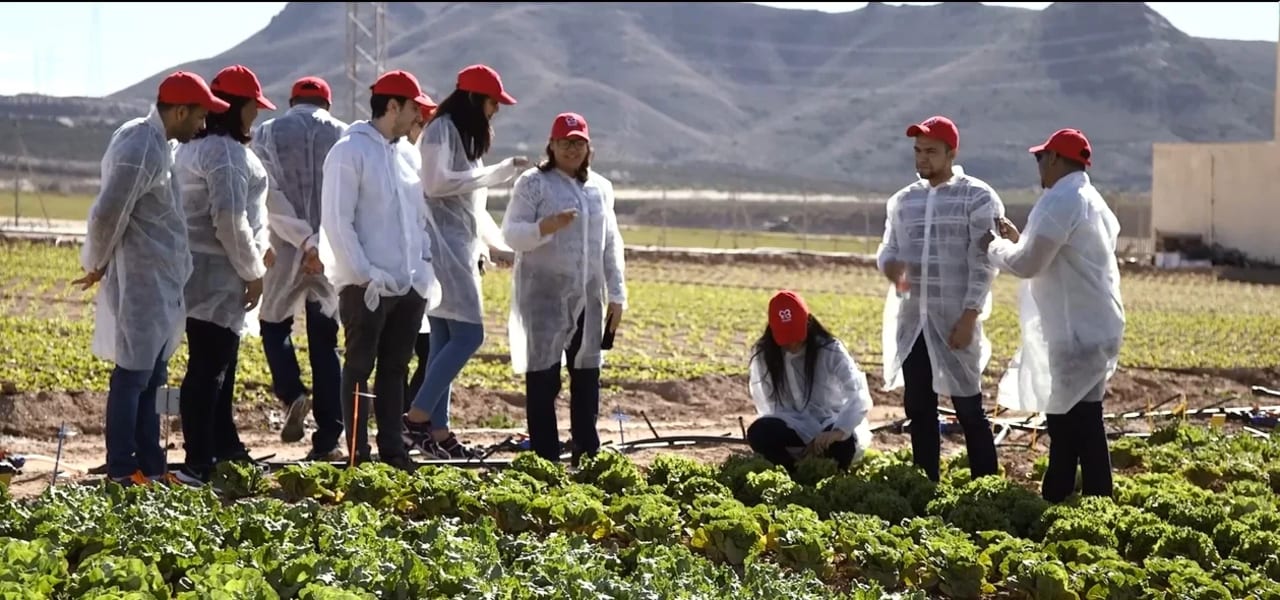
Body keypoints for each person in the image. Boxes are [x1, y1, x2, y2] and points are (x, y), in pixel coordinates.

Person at [75, 71, 228, 487]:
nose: (202, 125)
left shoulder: (160, 145)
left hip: (160, 283)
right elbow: (109, 211)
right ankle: (123, 469)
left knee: (153, 376)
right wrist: (97, 261)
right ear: (179, 110)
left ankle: (152, 466)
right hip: (141, 282)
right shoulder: (140, 143)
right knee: (133, 377)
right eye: (199, 116)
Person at [982, 129, 1125, 503]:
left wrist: (995, 248)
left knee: (1071, 423)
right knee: (1076, 419)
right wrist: (1017, 242)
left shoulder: (1062, 200)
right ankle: (1079, 499)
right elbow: (1052, 255)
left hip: (1076, 332)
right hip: (1094, 327)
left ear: (1057, 160)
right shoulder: (1088, 199)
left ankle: (1078, 499)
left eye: (1040, 158)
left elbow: (1030, 263)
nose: (1039, 166)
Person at [404, 64, 529, 459]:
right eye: (493, 102)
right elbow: (437, 184)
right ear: (475, 99)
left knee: (444, 338)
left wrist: (496, 244)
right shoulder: (441, 130)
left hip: (458, 245)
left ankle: (437, 432)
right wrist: (498, 173)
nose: (496, 110)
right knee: (470, 336)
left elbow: (471, 206)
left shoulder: (458, 136)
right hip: (443, 249)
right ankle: (415, 418)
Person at [317, 70, 436, 470]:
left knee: (394, 370)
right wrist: (365, 274)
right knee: (358, 367)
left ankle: (394, 454)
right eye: (413, 107)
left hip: (406, 284)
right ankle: (357, 456)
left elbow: (418, 219)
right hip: (364, 284)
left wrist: (421, 270)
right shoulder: (349, 151)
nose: (418, 114)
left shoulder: (405, 154)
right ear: (392, 107)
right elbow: (337, 221)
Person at [876, 115, 1003, 483]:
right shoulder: (902, 202)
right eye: (918, 151)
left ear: (951, 152)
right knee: (919, 407)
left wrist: (969, 316)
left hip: (955, 320)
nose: (922, 159)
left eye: (931, 151)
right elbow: (888, 251)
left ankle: (986, 485)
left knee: (968, 408)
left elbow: (983, 264)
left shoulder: (977, 196)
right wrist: (891, 269)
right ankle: (926, 482)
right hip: (914, 322)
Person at [501, 112, 627, 465]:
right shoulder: (534, 184)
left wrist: (617, 294)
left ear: (589, 148)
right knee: (543, 377)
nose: (572, 149)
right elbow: (511, 233)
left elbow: (610, 243)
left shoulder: (600, 189)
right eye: (565, 142)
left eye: (578, 143)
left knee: (586, 375)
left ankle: (586, 454)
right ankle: (545, 458)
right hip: (543, 297)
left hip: (588, 296)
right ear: (552, 145)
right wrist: (546, 226)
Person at [172, 64, 276, 485]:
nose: (256, 114)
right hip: (218, 273)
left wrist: (259, 246)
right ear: (239, 107)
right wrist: (253, 270)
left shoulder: (193, 149)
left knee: (218, 364)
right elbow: (230, 220)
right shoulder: (226, 153)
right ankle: (199, 461)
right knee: (209, 368)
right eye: (254, 106)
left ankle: (225, 448)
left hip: (197, 270)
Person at [250, 76, 349, 461]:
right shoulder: (345, 136)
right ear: (327, 104)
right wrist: (320, 242)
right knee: (326, 341)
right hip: (330, 251)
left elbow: (268, 193)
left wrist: (302, 239)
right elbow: (346, 197)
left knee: (274, 325)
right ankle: (329, 439)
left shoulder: (268, 133)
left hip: (285, 247)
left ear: (292, 101)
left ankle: (292, 393)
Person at [746, 290, 874, 474]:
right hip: (792, 425)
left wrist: (836, 432)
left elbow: (858, 394)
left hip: (830, 422)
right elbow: (767, 406)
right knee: (759, 433)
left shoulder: (830, 350)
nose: (792, 344)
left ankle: (829, 471)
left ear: (808, 323)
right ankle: (792, 470)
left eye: (796, 335)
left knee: (842, 445)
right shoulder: (764, 355)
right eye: (785, 338)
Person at [404, 101, 437, 413]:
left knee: (427, 350)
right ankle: (404, 415)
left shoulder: (422, 159)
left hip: (423, 272)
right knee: (402, 354)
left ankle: (406, 413)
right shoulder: (402, 158)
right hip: (402, 273)